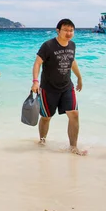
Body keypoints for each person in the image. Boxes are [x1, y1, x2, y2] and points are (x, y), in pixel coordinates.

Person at [31, 19, 86, 155]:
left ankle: (73, 146)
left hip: (67, 86)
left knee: (74, 114)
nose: (69, 33)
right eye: (66, 30)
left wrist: (79, 77)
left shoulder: (72, 45)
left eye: (71, 30)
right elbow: (37, 63)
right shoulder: (48, 45)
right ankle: (42, 141)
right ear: (58, 30)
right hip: (48, 88)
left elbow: (72, 61)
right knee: (46, 117)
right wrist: (35, 81)